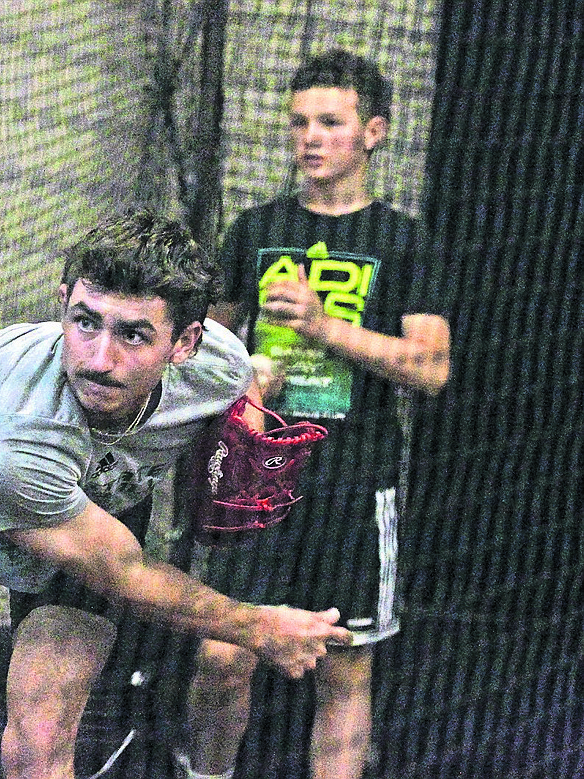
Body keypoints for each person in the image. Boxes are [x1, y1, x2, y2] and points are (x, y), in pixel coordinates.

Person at [0, 209, 353, 779]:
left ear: (186, 341)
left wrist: (251, 425)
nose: (98, 359)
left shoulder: (217, 367)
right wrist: (261, 626)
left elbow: (247, 383)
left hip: (103, 488)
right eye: (84, 322)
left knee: (40, 739)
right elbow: (128, 574)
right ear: (62, 301)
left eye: (134, 334)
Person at [177, 50, 451, 779]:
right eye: (299, 122)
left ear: (374, 132)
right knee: (223, 652)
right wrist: (242, 383)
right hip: (252, 476)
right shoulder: (255, 228)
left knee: (344, 664)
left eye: (330, 122)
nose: (310, 137)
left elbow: (431, 367)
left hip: (353, 482)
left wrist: (326, 328)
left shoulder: (404, 241)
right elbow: (204, 347)